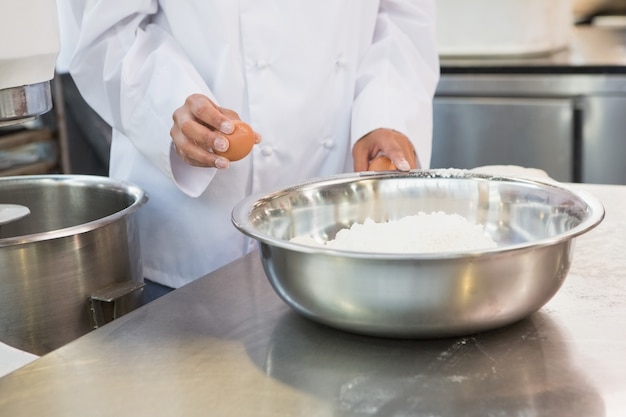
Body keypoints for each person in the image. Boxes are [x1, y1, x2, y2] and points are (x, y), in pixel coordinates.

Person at [67, 1, 440, 302]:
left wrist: (385, 113)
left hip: (337, 219)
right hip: (191, 238)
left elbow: (402, 19)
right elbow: (108, 31)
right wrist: (169, 105)